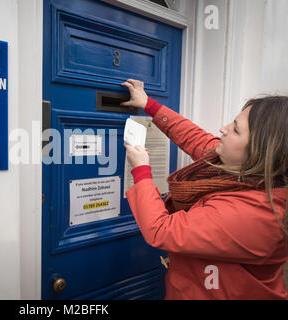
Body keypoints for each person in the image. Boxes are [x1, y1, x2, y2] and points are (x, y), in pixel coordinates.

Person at [121, 79, 288, 300]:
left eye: (236, 130)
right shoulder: (241, 170)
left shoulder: (254, 213)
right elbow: (194, 138)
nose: (223, 129)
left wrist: (141, 170)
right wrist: (148, 104)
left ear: (261, 151)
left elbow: (160, 230)